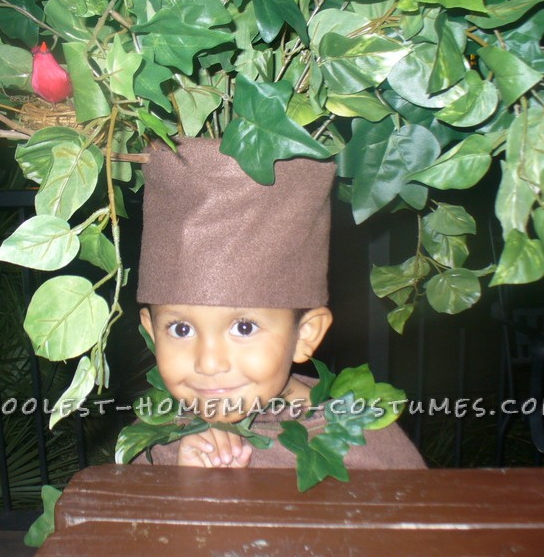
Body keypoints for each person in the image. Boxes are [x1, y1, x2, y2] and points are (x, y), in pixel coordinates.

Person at [132, 138, 426, 470]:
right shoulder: (160, 443)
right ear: (152, 333)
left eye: (244, 327)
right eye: (181, 328)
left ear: (305, 335)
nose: (209, 363)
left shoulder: (361, 448)